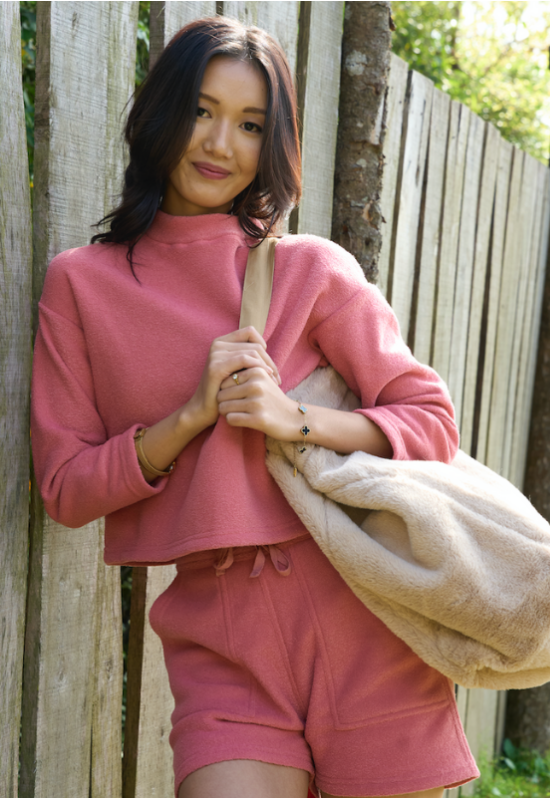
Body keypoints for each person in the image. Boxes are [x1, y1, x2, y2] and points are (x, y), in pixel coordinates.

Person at [30, 16, 479, 799]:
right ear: (161, 114)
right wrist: (186, 420)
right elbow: (66, 487)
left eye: (249, 124)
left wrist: (289, 418)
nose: (220, 144)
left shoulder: (309, 270)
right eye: (201, 111)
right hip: (221, 642)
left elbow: (429, 420)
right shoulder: (82, 285)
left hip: (361, 612)